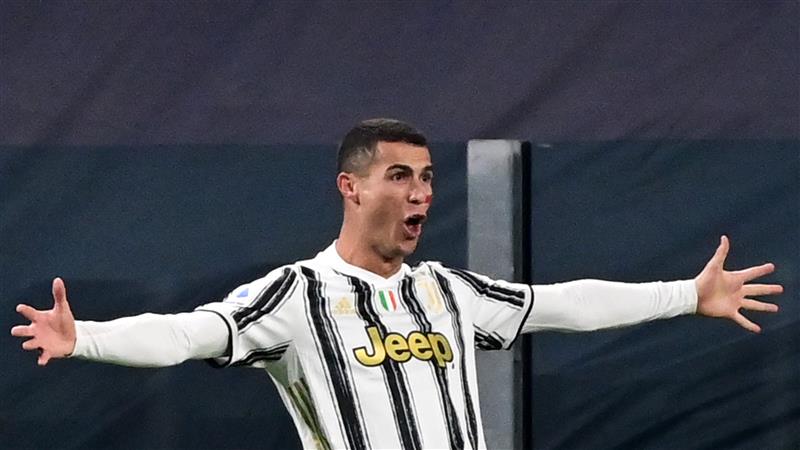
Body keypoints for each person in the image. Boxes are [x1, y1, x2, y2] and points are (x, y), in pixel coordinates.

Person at [12, 119, 783, 450]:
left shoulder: (448, 292)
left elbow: (563, 303)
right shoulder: (297, 296)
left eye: (427, 178)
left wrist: (687, 294)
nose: (420, 193)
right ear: (349, 187)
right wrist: (87, 340)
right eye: (399, 176)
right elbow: (188, 333)